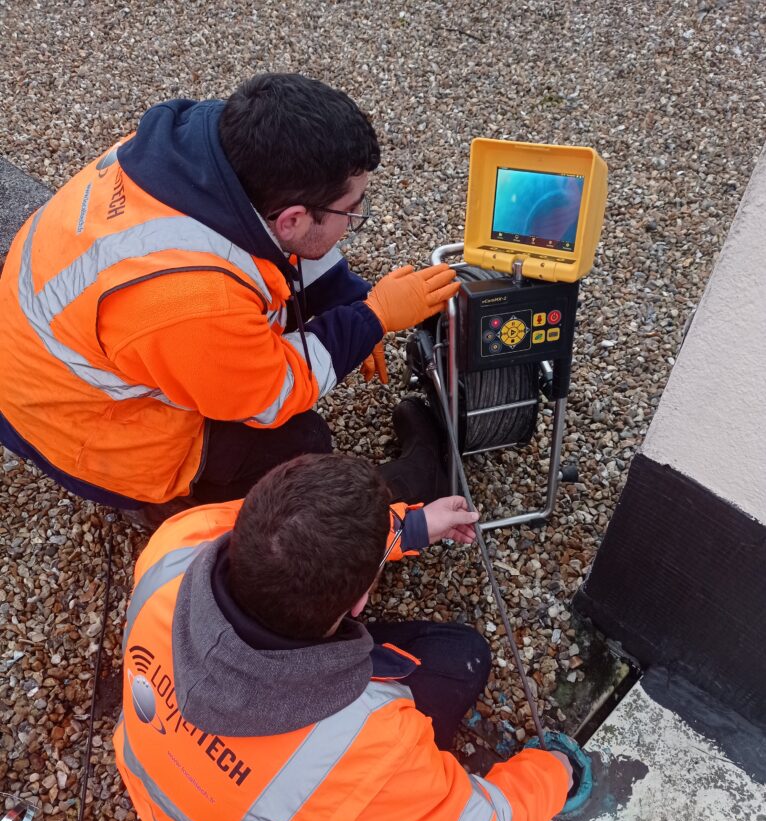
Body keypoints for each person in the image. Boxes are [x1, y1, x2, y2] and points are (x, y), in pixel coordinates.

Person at [114, 453, 572, 821]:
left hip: (155, 788)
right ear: (358, 603)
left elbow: (285, 541)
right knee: (462, 656)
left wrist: (413, 527)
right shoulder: (357, 749)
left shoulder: (175, 546)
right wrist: (556, 771)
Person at [0, 74, 458, 527]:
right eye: (350, 210)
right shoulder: (194, 298)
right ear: (293, 218)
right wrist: (370, 318)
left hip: (45, 364)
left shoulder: (197, 158)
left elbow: (281, 247)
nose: (356, 217)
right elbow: (272, 393)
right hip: (85, 431)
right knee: (297, 444)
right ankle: (174, 507)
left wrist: (347, 295)